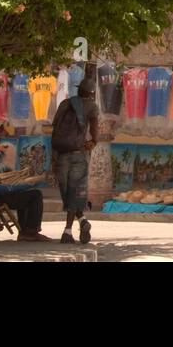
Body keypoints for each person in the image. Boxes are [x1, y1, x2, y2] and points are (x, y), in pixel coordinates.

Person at [51, 74, 100, 244]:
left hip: (62, 153)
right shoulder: (92, 107)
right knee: (75, 192)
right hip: (79, 154)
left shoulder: (65, 104)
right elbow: (94, 129)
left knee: (67, 193)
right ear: (91, 93)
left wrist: (53, 156)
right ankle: (74, 227)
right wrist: (93, 142)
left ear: (78, 89)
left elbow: (55, 129)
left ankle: (75, 226)